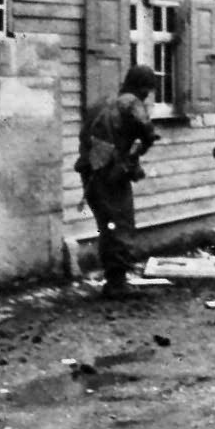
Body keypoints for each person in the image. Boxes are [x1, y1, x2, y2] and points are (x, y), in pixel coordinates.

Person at [75, 64, 160, 299]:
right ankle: (117, 283)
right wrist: (136, 152)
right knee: (121, 224)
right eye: (148, 90)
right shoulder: (131, 103)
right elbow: (148, 132)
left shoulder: (102, 102)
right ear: (143, 88)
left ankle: (114, 279)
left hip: (91, 173)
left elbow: (85, 136)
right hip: (112, 175)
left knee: (107, 226)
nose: (147, 95)